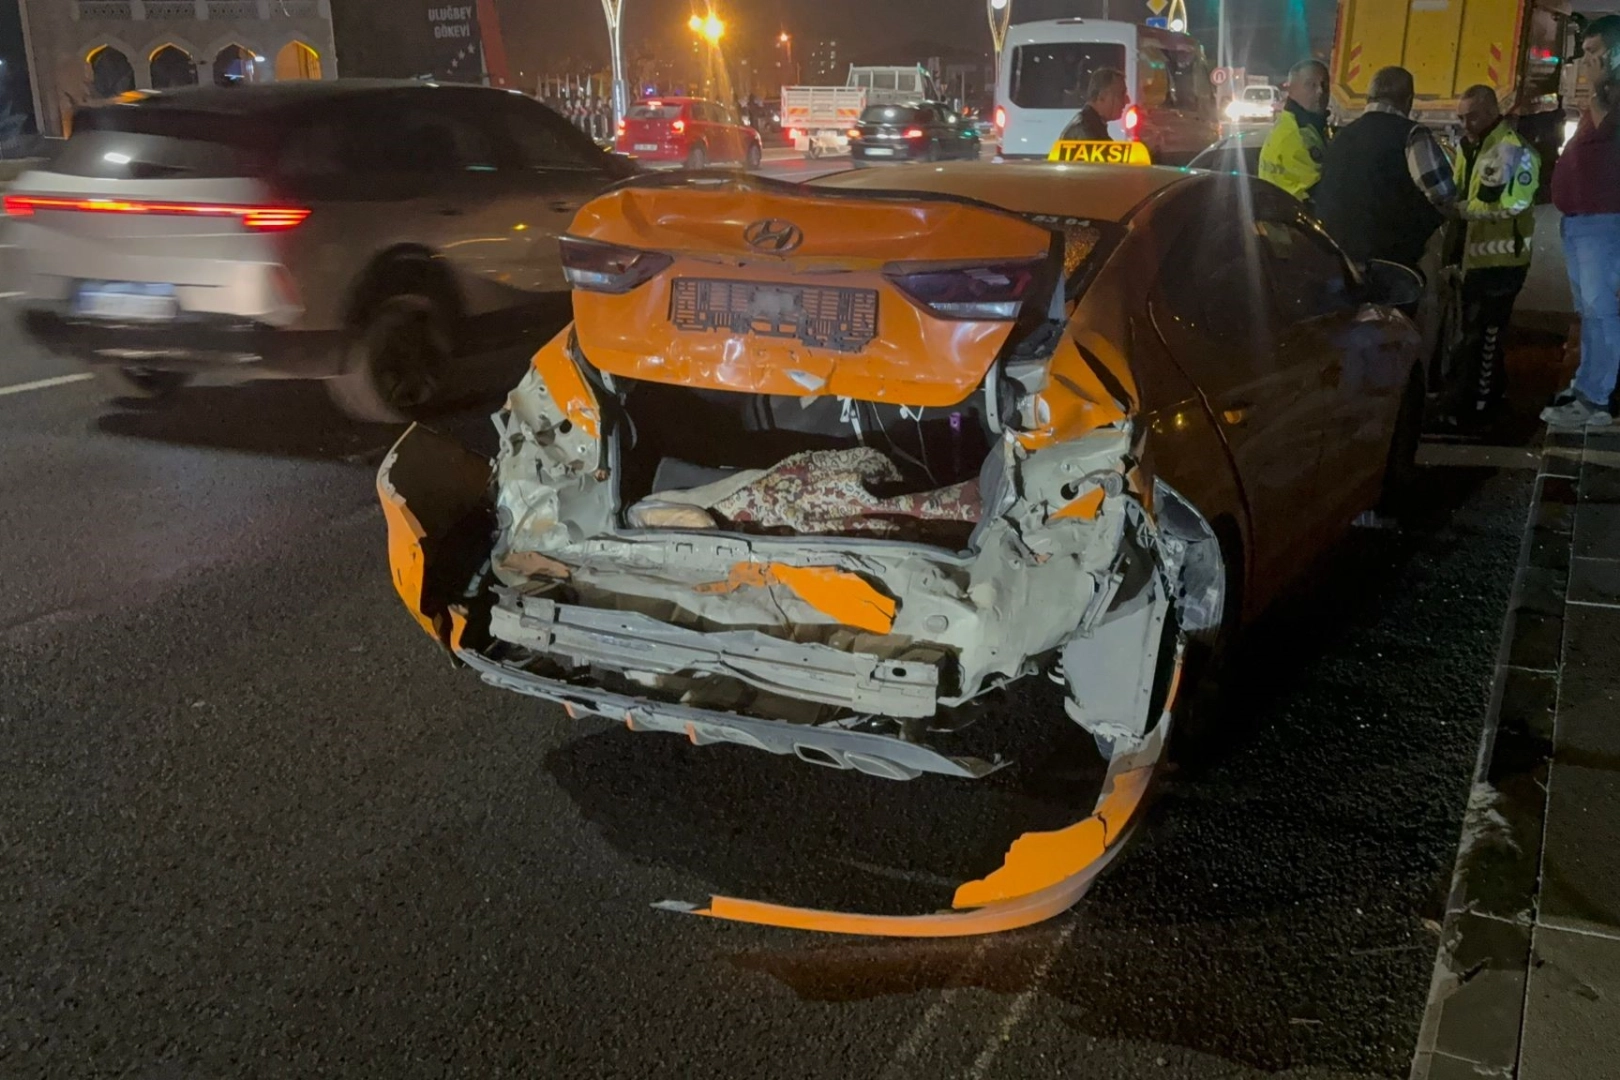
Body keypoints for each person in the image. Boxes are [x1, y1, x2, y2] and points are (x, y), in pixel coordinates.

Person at [1440, 85, 1541, 426]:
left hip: (1501, 263)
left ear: (1491, 111)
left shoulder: (1512, 149)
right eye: (1460, 118)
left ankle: (1478, 407)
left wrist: (1463, 210)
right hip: (1475, 260)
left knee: (1483, 338)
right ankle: (1483, 398)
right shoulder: (1471, 147)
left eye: (1471, 117)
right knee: (1474, 335)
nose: (1465, 124)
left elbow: (1514, 203)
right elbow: (1460, 191)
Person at [1314, 66, 1456, 272]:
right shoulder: (1411, 134)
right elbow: (1442, 192)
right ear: (1408, 101)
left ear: (1369, 97)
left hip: (1340, 260)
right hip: (1391, 261)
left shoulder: (1340, 137)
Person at [1542, 71, 1620, 430]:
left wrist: (1601, 85)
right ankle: (1589, 386)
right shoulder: (1599, 115)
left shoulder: (1610, 116)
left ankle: (1596, 398)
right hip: (1583, 222)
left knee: (1600, 313)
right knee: (1591, 313)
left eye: (1593, 51)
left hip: (1600, 223)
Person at [1258, 59, 1330, 204]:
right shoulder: (1298, 134)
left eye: (1325, 85)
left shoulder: (1291, 122)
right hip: (1295, 214)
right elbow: (1325, 193)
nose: (1320, 91)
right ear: (1291, 90)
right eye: (1311, 85)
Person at [1059, 68, 1128, 143]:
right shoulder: (1086, 131)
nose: (1127, 100)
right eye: (1121, 94)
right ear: (1102, 96)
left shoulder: (1090, 127)